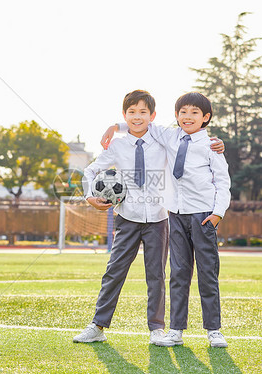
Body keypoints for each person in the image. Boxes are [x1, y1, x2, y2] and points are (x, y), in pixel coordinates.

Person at [73, 90, 225, 344]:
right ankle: (98, 326)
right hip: (127, 217)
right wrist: (90, 197)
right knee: (114, 271)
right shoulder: (117, 145)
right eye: (131, 112)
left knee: (156, 275)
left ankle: (157, 328)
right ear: (124, 114)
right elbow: (89, 172)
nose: (137, 117)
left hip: (158, 218)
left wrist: (216, 142)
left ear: (152, 116)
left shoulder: (165, 140)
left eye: (143, 112)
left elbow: (192, 135)